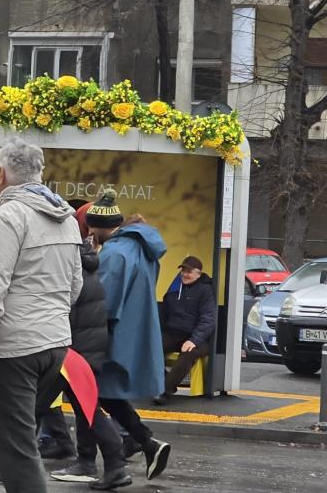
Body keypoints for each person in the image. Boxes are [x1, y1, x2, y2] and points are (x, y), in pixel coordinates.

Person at [0, 139, 83, 493]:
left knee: (16, 450)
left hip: (11, 350)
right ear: (40, 174)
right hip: (54, 344)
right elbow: (75, 287)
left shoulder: (7, 217)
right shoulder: (66, 220)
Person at [87, 191, 172, 481]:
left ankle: (126, 453)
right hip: (135, 329)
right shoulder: (139, 248)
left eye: (91, 226)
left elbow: (104, 301)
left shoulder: (113, 253)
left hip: (113, 332)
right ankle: (144, 442)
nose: (90, 232)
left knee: (93, 393)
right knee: (106, 394)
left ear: (99, 226)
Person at [49, 202, 132, 489]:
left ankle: (114, 461)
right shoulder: (86, 264)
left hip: (73, 348)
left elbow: (67, 307)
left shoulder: (72, 267)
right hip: (85, 347)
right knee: (85, 407)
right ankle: (110, 463)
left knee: (35, 406)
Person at [158, 255, 216, 403]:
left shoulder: (205, 290)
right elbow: (163, 314)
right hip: (174, 333)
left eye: (189, 271)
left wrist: (193, 340)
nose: (185, 274)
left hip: (197, 338)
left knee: (187, 355)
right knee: (150, 348)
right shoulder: (174, 289)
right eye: (183, 270)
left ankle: (166, 391)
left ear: (198, 273)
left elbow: (208, 320)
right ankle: (164, 381)